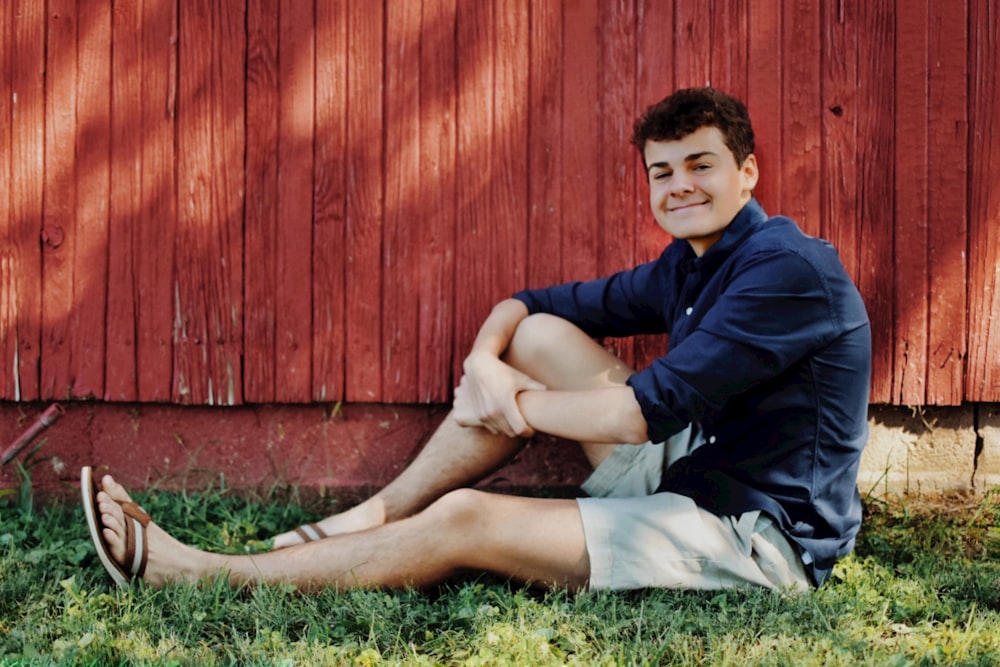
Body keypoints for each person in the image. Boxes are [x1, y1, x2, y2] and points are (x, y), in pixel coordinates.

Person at [82, 87, 871, 593]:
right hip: (703, 468)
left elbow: (644, 412)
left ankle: (202, 574)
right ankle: (378, 514)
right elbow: (529, 303)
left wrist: (515, 403)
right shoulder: (692, 261)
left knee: (467, 519)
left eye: (701, 165)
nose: (680, 186)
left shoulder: (786, 269)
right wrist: (483, 363)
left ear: (749, 173)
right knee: (536, 334)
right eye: (663, 173)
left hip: (758, 536)